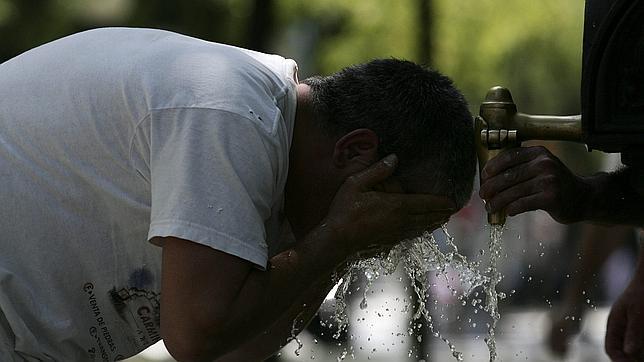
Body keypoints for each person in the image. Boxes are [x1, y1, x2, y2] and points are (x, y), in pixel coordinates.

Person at [0, 27, 476, 361]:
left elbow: (234, 349)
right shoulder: (232, 115)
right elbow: (195, 336)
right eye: (395, 214)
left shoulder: (267, 146)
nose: (386, 238)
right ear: (355, 152)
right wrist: (337, 238)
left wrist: (339, 245)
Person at [479, 145, 644, 362]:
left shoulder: (627, 120)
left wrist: (584, 196)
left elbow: (629, 197)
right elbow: (633, 196)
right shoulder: (626, 129)